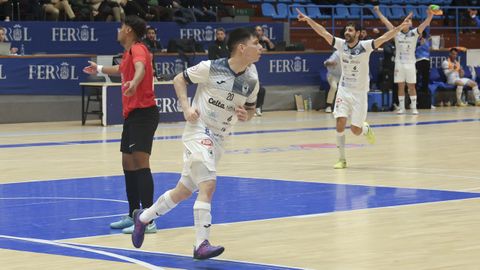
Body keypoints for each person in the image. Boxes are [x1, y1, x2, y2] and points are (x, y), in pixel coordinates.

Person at [130, 27, 262, 260]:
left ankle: (142, 218)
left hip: (220, 139)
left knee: (183, 191)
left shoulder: (252, 79)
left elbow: (250, 110)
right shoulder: (211, 67)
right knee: (208, 184)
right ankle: (201, 243)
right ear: (242, 48)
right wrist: (186, 107)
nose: (261, 47)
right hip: (198, 130)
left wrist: (246, 116)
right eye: (256, 43)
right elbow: (179, 79)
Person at [297, 9, 412, 169]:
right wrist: (309, 19)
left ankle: (365, 128)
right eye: (346, 30)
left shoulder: (366, 46)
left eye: (351, 30)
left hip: (359, 93)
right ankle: (342, 159)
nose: (347, 32)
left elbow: (385, 37)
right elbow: (322, 32)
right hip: (344, 90)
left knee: (355, 130)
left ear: (358, 33)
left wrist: (400, 27)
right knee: (339, 122)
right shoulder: (340, 45)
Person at [83, 15, 159, 234]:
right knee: (128, 163)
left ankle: (149, 219)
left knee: (141, 163)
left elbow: (140, 68)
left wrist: (135, 82)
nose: (118, 29)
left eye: (121, 26)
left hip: (144, 114)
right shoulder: (128, 53)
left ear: (128, 30)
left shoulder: (138, 49)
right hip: (132, 115)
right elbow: (121, 70)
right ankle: (133, 213)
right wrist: (98, 69)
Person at [374, 6, 434, 115]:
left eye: (409, 20)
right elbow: (385, 22)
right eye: (406, 20)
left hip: (411, 64)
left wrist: (430, 15)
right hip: (399, 64)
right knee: (400, 86)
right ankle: (401, 107)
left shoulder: (415, 32)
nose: (408, 22)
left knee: (411, 86)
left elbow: (425, 24)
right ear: (402, 23)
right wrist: (378, 12)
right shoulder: (396, 32)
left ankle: (413, 107)